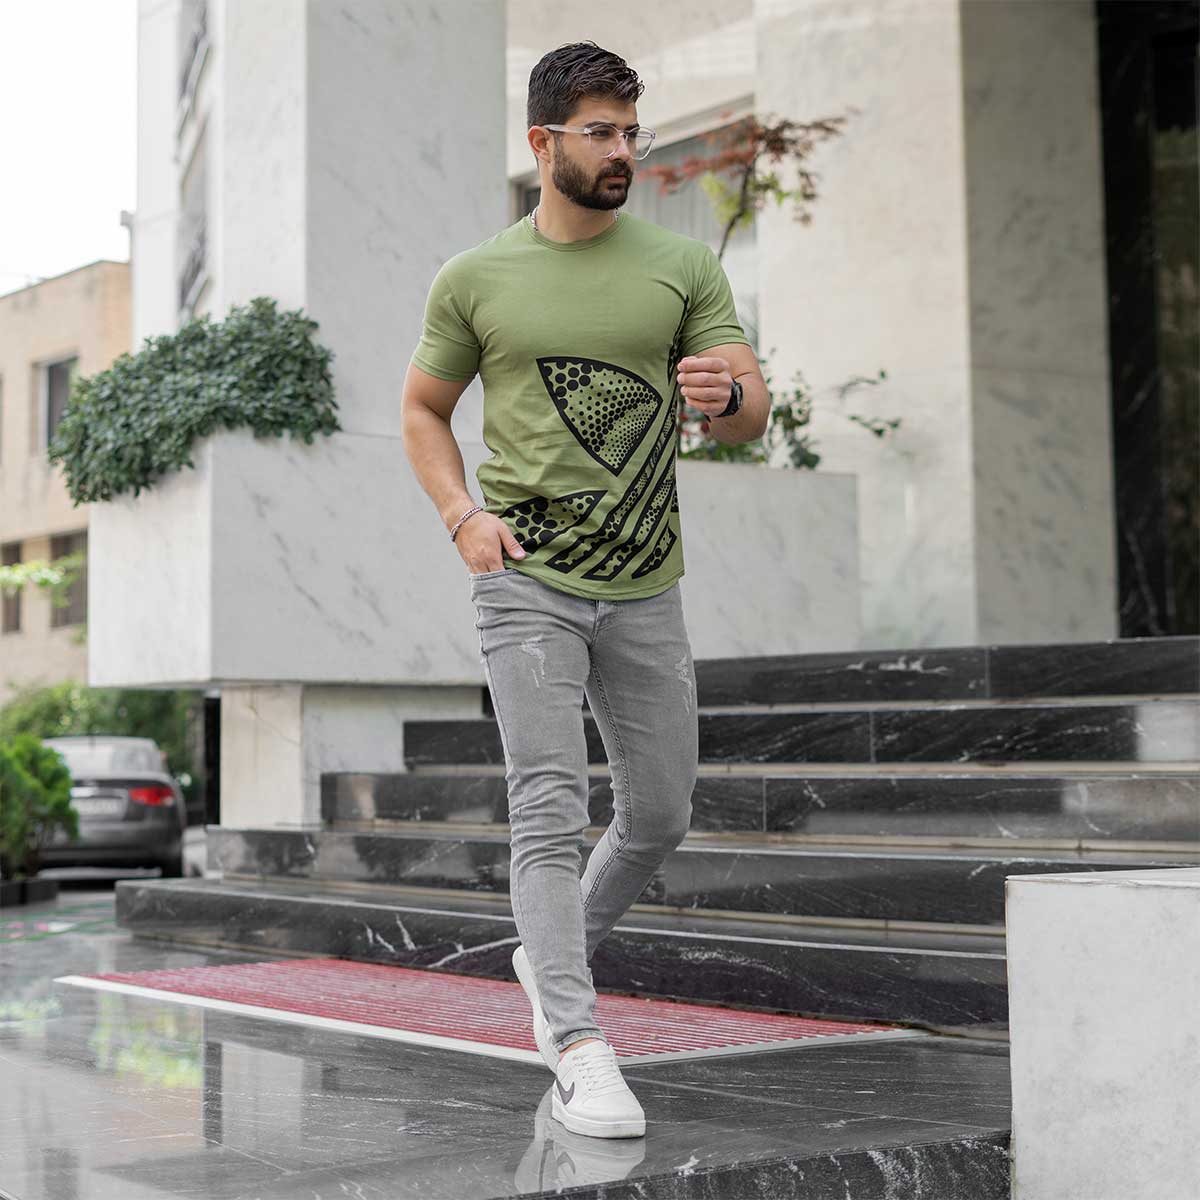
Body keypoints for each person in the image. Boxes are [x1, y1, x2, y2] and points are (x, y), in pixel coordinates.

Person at [400, 39, 766, 1139]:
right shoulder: (476, 277)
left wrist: (726, 397)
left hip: (648, 584)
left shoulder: (681, 267)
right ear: (543, 141)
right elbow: (423, 410)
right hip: (526, 582)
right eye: (601, 132)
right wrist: (463, 517)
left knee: (659, 813)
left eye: (631, 133)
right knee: (548, 805)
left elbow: (748, 412)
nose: (622, 152)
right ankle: (575, 1042)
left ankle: (546, 952)